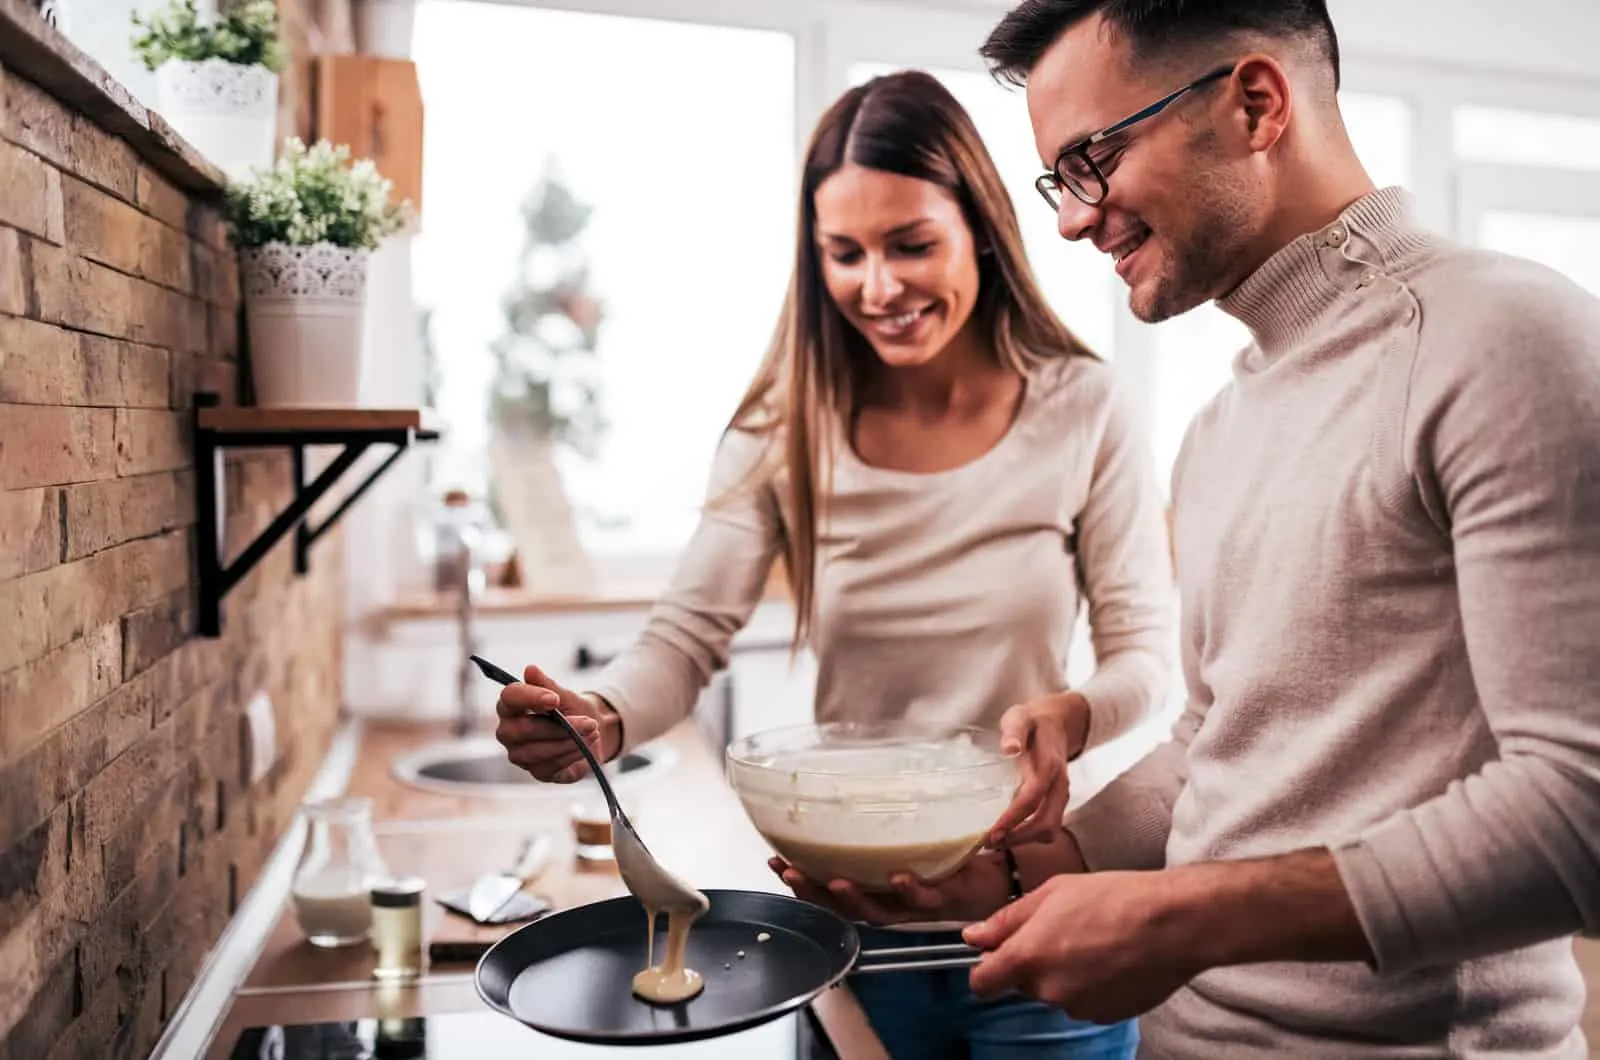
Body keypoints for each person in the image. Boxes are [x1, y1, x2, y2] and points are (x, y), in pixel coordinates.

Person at [936, 1, 1600, 1057]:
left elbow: (1581, 817)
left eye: (1093, 159)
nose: (1070, 218)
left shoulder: (1509, 339)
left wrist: (1184, 915)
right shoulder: (1218, 426)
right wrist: (1039, 863)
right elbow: (1218, 742)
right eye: (1058, 180)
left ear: (1254, 102)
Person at [492, 69, 1177, 1060]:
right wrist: (599, 717)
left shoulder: (1083, 407)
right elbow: (684, 640)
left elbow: (1145, 658)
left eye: (911, 245)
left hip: (1038, 910)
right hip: (851, 926)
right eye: (843, 254)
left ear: (980, 228)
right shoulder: (783, 427)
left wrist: (1072, 714)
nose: (878, 285)